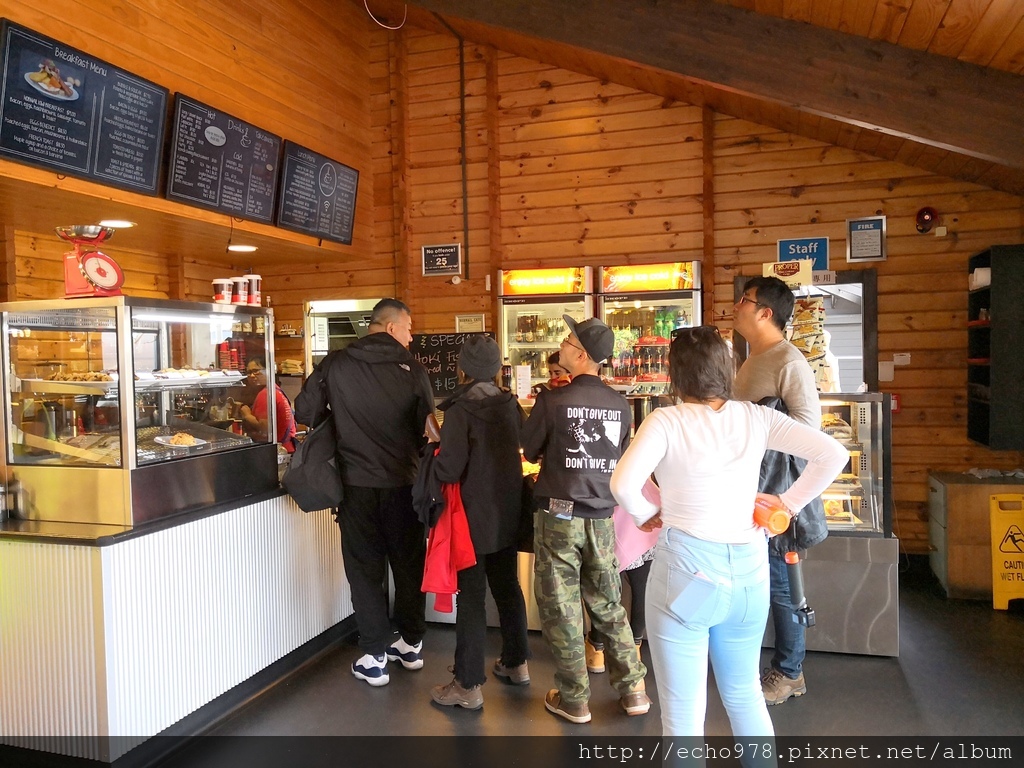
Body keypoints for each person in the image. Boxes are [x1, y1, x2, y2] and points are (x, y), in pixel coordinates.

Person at [609, 326, 846, 749]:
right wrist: (787, 504)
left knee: (683, 718)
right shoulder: (756, 417)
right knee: (745, 697)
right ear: (728, 369)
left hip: (686, 574)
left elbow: (623, 485)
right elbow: (833, 454)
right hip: (749, 575)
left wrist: (647, 515)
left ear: (675, 374)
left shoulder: (666, 421)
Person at [293, 298, 438, 688]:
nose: (411, 337)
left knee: (364, 569)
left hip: (355, 486)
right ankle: (411, 644)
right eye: (409, 329)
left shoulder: (336, 363)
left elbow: (304, 411)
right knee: (409, 566)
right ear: (391, 328)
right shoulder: (414, 369)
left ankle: (375, 657)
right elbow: (427, 425)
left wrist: (338, 417)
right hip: (405, 485)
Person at [521, 314, 650, 724]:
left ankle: (575, 699)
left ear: (580, 355)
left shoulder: (552, 401)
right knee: (608, 603)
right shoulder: (620, 405)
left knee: (561, 608)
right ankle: (634, 690)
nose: (562, 343)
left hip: (560, 516)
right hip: (603, 519)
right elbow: (621, 457)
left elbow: (529, 450)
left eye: (568, 340)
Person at [731, 275, 824, 705]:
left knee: (782, 584)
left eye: (744, 300)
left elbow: (809, 431)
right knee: (766, 581)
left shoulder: (789, 361)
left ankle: (789, 672)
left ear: (765, 312)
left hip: (775, 494)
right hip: (752, 490)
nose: (737, 306)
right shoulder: (754, 357)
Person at [429, 336, 531, 710]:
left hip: (471, 516)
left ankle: (468, 683)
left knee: (471, 596)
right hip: (508, 509)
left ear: (463, 369)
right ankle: (516, 662)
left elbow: (449, 468)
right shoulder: (510, 404)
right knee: (507, 586)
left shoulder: (460, 410)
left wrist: (434, 445)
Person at [239, 357, 297, 452]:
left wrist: (247, 415)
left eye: (256, 371)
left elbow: (265, 430)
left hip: (276, 451)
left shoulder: (266, 394)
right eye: (249, 372)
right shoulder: (275, 390)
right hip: (286, 448)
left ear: (268, 371)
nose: (252, 375)